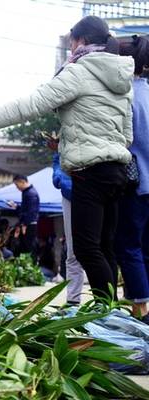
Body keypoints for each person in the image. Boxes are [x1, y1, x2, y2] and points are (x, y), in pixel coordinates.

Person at [0, 15, 133, 300]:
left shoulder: (79, 71)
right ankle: (111, 315)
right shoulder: (121, 78)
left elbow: (32, 105)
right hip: (117, 170)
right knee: (104, 246)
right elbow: (126, 133)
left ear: (81, 41)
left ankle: (105, 312)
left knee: (85, 248)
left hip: (90, 171)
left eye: (72, 44)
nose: (71, 50)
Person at [115, 36, 149, 323]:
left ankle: (140, 310)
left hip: (135, 183)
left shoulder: (125, 98)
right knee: (146, 248)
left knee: (129, 246)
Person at [52, 150, 85, 305]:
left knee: (74, 253)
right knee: (103, 251)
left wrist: (57, 155)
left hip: (74, 192)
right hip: (105, 188)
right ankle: (106, 303)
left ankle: (73, 300)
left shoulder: (65, 150)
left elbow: (58, 180)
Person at [7, 175, 40, 260]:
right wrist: (16, 207)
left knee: (27, 247)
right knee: (23, 247)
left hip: (29, 224)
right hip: (26, 223)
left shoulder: (31, 193)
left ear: (22, 182)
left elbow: (31, 211)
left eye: (17, 185)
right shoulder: (27, 192)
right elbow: (25, 210)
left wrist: (25, 224)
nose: (17, 188)